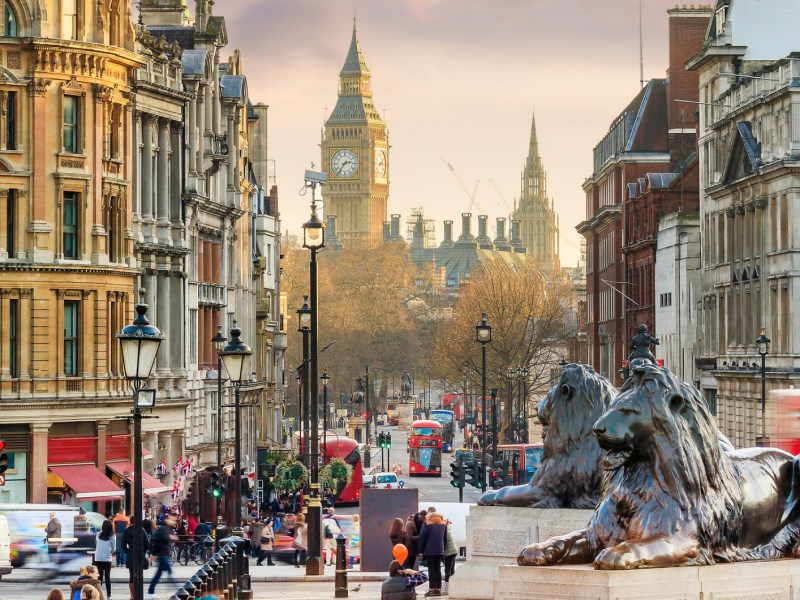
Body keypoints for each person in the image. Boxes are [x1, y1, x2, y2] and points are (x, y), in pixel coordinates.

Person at [418, 512, 447, 597]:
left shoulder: (427, 523)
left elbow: (422, 537)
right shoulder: (443, 523)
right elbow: (445, 539)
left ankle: (431, 589)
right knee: (438, 570)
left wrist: (421, 550)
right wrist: (442, 549)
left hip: (429, 550)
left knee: (431, 570)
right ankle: (438, 590)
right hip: (439, 550)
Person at [121, 515, 149, 600]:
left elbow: (123, 545)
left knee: (131, 575)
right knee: (140, 575)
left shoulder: (127, 531)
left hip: (130, 554)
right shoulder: (142, 530)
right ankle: (139, 593)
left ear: (130, 521)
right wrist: (143, 552)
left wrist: (128, 552)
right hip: (140, 554)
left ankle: (132, 595)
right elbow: (147, 544)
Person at [148, 514, 176, 596]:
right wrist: (170, 537)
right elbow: (159, 541)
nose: (173, 521)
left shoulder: (165, 529)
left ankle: (151, 591)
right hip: (162, 554)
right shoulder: (163, 529)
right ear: (167, 520)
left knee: (158, 574)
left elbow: (159, 541)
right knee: (169, 572)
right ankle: (175, 590)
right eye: (172, 519)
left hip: (163, 554)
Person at [94, 519, 115, 599]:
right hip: (107, 559)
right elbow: (114, 548)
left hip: (98, 557)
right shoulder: (112, 536)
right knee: (107, 577)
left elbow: (96, 544)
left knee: (99, 577)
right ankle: (109, 595)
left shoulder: (98, 534)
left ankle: (98, 595)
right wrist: (109, 552)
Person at [443, 518, 458, 594]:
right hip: (454, 550)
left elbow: (444, 541)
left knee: (447, 570)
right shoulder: (448, 528)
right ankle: (454, 587)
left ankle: (446, 588)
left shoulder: (444, 530)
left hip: (449, 552)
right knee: (452, 569)